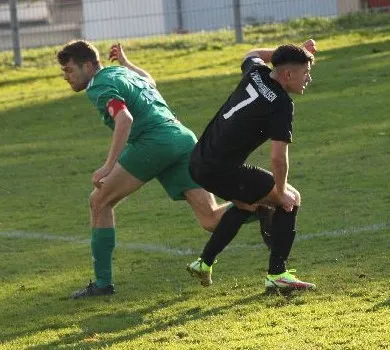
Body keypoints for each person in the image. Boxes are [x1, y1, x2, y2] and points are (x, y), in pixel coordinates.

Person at [56, 40, 270, 299]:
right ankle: (260, 205)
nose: (66, 77)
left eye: (69, 70)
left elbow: (124, 119)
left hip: (153, 142)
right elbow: (149, 81)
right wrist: (125, 62)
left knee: (99, 202)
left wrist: (108, 166)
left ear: (88, 65)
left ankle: (102, 284)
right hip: (181, 138)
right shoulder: (119, 73)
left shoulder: (98, 86)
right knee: (211, 219)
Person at [186, 39, 317, 293]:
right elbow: (278, 158)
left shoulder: (256, 72)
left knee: (251, 202)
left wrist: (287, 53)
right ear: (288, 74)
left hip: (198, 161)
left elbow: (253, 53)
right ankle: (277, 274)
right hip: (221, 170)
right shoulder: (281, 104)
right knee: (291, 197)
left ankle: (204, 262)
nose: (308, 79)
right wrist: (280, 192)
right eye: (305, 73)